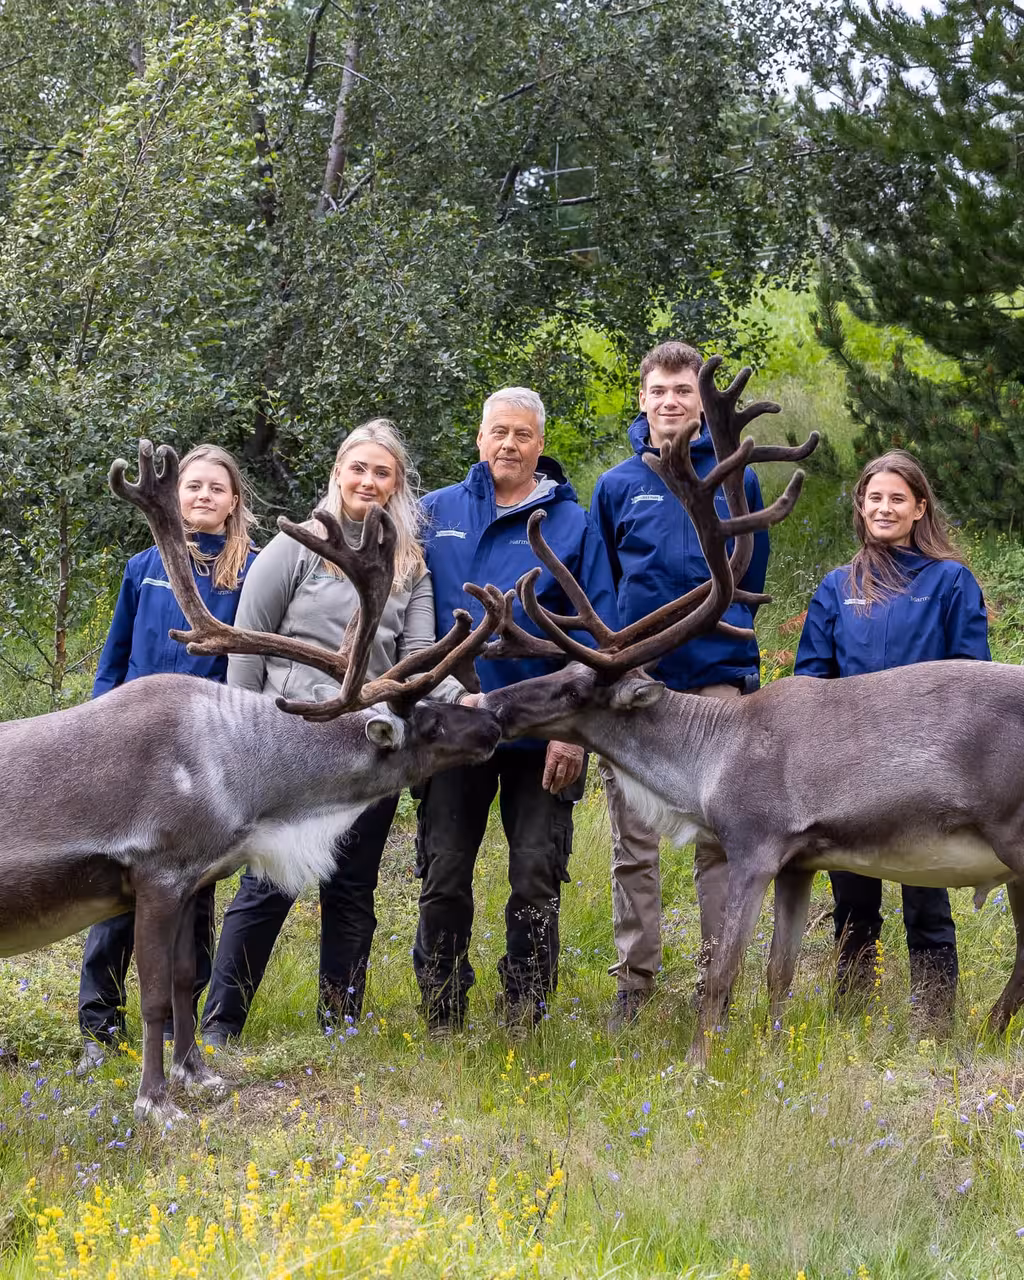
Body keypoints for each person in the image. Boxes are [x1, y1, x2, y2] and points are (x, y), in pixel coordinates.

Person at [200, 419, 456, 1045]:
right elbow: (245, 649)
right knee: (268, 886)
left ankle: (338, 1027)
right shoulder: (298, 546)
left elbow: (417, 657)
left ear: (397, 485)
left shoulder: (408, 565)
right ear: (338, 472)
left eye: (382, 472)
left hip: (369, 748)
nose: (368, 481)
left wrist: (464, 700)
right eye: (358, 468)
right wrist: (242, 738)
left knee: (351, 889)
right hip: (287, 744)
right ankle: (220, 1026)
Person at [413, 387, 617, 1035]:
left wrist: (574, 729)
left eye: (522, 435)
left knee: (535, 877)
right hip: (452, 728)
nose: (509, 444)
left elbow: (599, 636)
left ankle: (524, 1013)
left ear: (540, 445)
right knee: (444, 875)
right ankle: (443, 1012)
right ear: (479, 438)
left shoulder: (573, 524)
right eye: (498, 432)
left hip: (542, 733)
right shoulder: (432, 513)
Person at [589, 340, 770, 1031]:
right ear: (643, 400)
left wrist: (740, 664)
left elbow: (750, 580)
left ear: (701, 401)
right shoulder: (616, 485)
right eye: (659, 390)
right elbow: (603, 587)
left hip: (714, 689)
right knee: (633, 841)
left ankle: (714, 982)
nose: (670, 401)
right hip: (638, 689)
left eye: (684, 391)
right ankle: (634, 982)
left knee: (719, 841)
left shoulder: (736, 477)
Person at [77, 443, 258, 1072]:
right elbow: (114, 657)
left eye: (216, 488)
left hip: (206, 755)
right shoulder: (142, 567)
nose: (203, 496)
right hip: (130, 748)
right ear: (175, 496)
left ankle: (184, 1018)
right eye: (193, 487)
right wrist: (95, 728)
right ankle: (98, 1025)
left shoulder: (250, 571)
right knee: (114, 885)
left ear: (234, 502)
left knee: (192, 889)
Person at [795, 449, 990, 1025]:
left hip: (926, 770)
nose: (884, 507)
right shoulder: (836, 587)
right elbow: (811, 680)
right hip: (848, 772)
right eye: (874, 498)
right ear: (861, 506)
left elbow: (972, 679)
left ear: (919, 508)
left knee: (926, 899)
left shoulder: (952, 581)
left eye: (897, 499)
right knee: (853, 901)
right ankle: (853, 1016)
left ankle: (933, 1019)